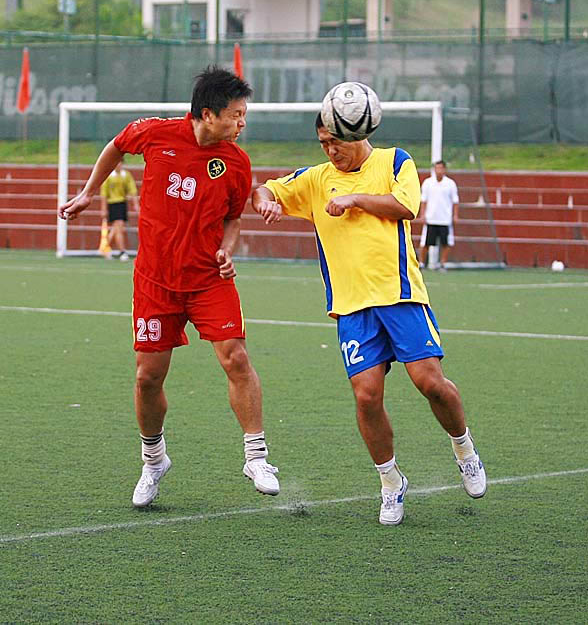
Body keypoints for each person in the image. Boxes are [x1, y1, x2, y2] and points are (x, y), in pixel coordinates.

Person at [252, 105, 486, 526]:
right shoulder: (314, 179)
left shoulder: (394, 161)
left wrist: (355, 198)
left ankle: (464, 450)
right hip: (351, 307)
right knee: (366, 396)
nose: (329, 151)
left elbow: (405, 206)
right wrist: (266, 203)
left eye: (335, 142)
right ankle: (390, 482)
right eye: (322, 143)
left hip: (400, 295)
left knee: (430, 382)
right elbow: (264, 190)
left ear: (357, 132)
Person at [58, 66, 280, 507]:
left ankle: (256, 455)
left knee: (235, 357)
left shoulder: (235, 160)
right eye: (236, 115)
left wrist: (226, 249)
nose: (241, 124)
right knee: (147, 378)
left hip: (208, 280)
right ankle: (153, 459)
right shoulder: (156, 134)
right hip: (156, 282)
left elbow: (234, 216)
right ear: (207, 113)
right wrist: (88, 192)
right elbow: (116, 146)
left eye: (244, 115)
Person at [418, 159, 459, 270]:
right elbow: (424, 200)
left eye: (441, 168)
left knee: (446, 243)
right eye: (436, 168)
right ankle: (421, 263)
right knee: (426, 242)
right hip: (431, 218)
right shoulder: (427, 183)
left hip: (445, 219)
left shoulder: (450, 184)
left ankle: (442, 263)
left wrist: (455, 215)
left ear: (444, 169)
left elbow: (455, 201)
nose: (438, 170)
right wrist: (423, 215)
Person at [99, 161, 139, 261]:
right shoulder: (109, 176)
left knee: (116, 228)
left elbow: (133, 190)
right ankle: (122, 251)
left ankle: (104, 248)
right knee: (119, 226)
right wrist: (103, 208)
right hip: (112, 203)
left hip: (122, 203)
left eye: (120, 163)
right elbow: (104, 194)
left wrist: (136, 205)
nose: (118, 165)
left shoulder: (126, 175)